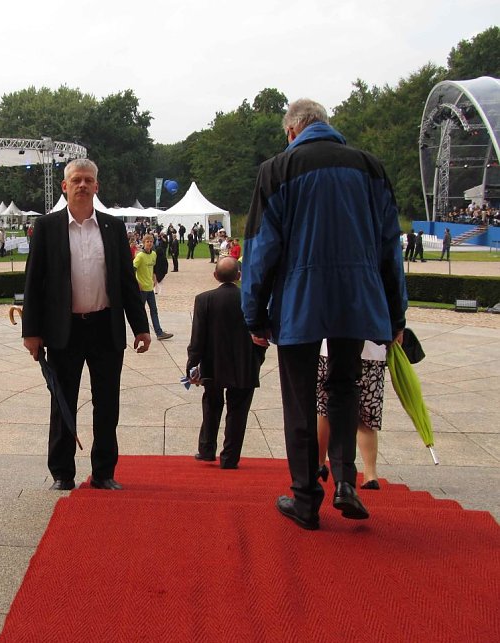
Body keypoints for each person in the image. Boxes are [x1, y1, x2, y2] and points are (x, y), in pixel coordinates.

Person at [241, 98, 407, 530]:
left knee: (300, 400)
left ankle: (305, 498)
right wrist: (396, 315)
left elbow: (261, 249)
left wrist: (254, 314)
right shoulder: (369, 167)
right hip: (357, 297)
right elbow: (390, 246)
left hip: (301, 298)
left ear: (291, 131)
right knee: (344, 388)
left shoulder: (277, 169)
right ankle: (346, 480)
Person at [22, 159, 151, 492]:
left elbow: (127, 281)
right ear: (65, 186)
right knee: (62, 401)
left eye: (88, 180)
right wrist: (31, 332)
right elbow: (34, 283)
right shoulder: (47, 227)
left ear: (96, 186)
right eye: (76, 180)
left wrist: (141, 326)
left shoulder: (112, 227)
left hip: (105, 328)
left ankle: (104, 472)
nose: (82, 185)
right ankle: (62, 473)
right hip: (64, 330)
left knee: (107, 404)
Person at [187, 257, 266, 468]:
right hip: (244, 363)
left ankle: (206, 449)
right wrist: (257, 360)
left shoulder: (204, 299)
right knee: (238, 411)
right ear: (239, 276)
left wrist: (192, 365)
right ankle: (230, 457)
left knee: (211, 404)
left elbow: (197, 338)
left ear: (215, 276)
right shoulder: (251, 300)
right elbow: (261, 336)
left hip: (213, 362)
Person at [317, 339, 387, 489]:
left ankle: (319, 463)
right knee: (367, 415)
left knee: (326, 410)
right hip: (372, 351)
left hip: (331, 350)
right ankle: (370, 474)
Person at [134, 234, 173, 341]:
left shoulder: (154, 254)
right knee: (140, 312)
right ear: (144, 243)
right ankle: (140, 333)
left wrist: (154, 277)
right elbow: (132, 270)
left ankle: (159, 333)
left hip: (150, 288)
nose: (149, 243)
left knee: (154, 311)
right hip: (142, 290)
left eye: (151, 241)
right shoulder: (140, 256)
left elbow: (153, 268)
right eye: (147, 241)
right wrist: (137, 282)